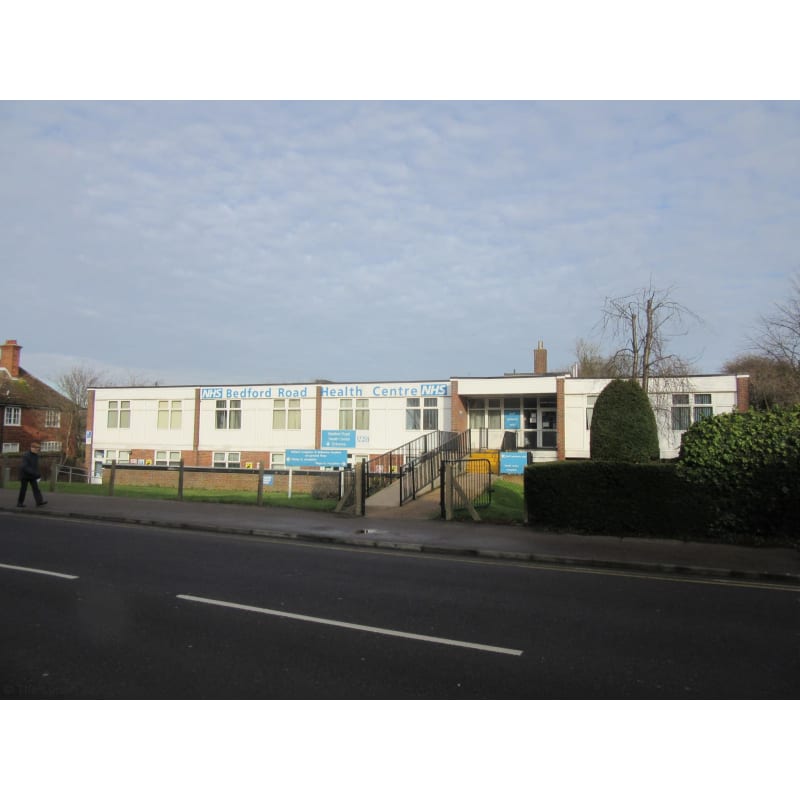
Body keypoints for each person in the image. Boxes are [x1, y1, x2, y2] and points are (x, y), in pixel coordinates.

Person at [17, 441, 47, 508]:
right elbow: (24, 467)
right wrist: (34, 473)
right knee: (23, 490)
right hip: (24, 475)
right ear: (32, 448)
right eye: (37, 448)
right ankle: (19, 503)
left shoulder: (36, 455)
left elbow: (35, 466)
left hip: (32, 476)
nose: (38, 450)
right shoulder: (26, 455)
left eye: (39, 448)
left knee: (36, 489)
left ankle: (39, 502)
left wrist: (37, 474)